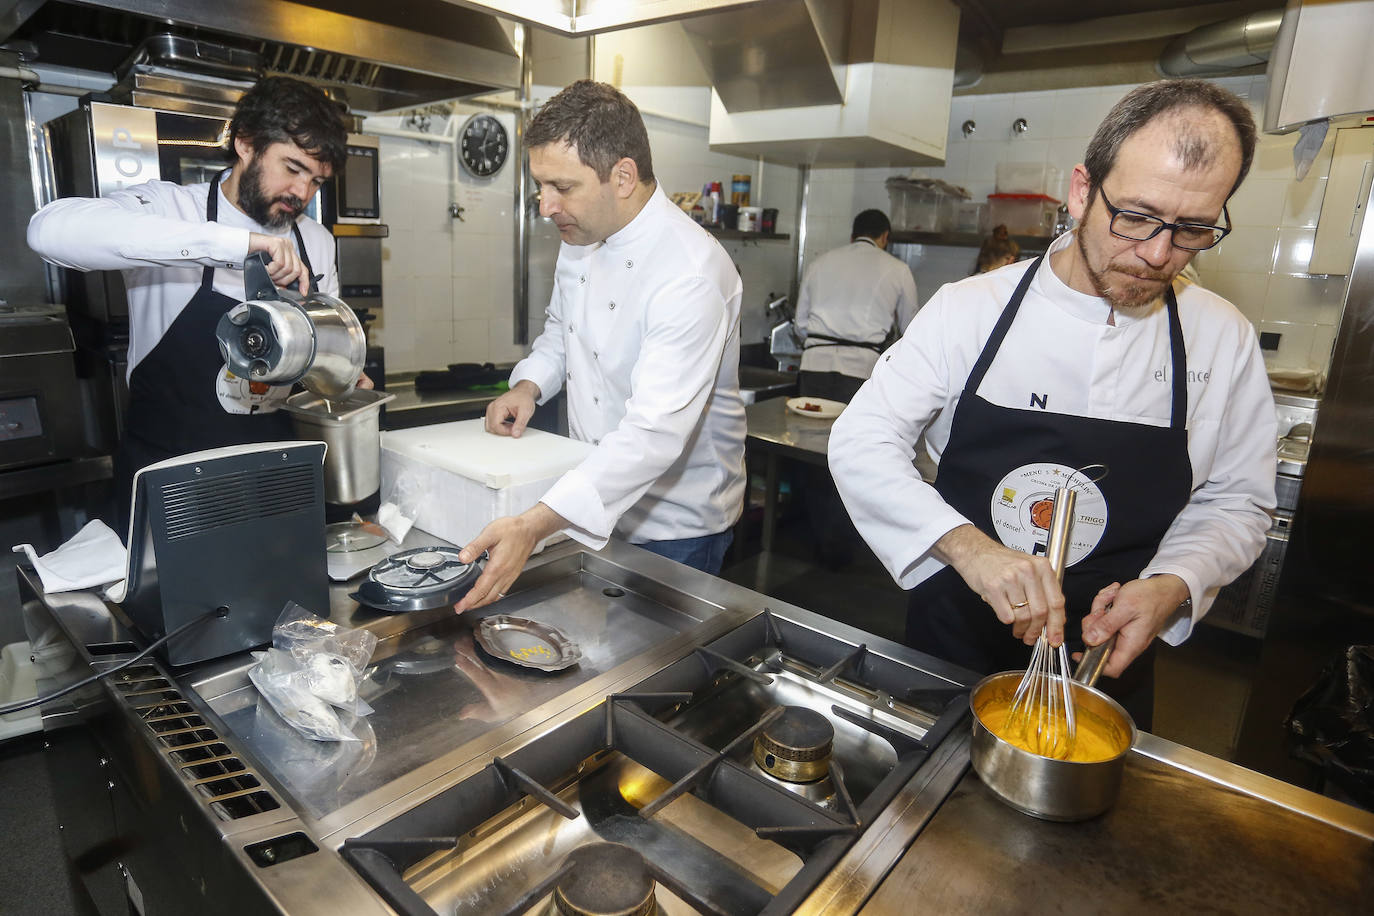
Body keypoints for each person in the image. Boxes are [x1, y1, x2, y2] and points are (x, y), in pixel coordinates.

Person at [828, 79, 1277, 727]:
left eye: (1193, 230)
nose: (1157, 254)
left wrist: (1176, 583)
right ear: (1082, 191)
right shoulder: (969, 310)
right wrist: (969, 548)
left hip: (1105, 663)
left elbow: (1238, 498)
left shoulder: (1220, 335)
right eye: (1138, 216)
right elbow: (861, 440)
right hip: (953, 639)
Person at [452, 80, 746, 611]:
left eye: (561, 186)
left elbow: (653, 434)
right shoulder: (584, 236)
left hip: (674, 526)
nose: (546, 206)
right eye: (541, 185)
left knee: (655, 683)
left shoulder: (690, 274)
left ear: (624, 176)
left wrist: (534, 525)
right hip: (586, 499)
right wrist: (528, 384)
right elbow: (562, 332)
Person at [27, 76, 359, 531]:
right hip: (170, 477)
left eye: (316, 181)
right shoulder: (170, 209)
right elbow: (49, 231)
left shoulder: (316, 242)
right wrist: (233, 243)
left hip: (274, 477)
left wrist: (337, 368)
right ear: (245, 144)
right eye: (293, 168)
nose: (302, 194)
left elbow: (327, 351)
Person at [794, 208, 918, 402]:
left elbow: (800, 324)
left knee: (810, 429)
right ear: (885, 236)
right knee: (852, 432)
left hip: (814, 365)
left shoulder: (818, 263)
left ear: (853, 236)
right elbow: (910, 330)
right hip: (862, 369)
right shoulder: (899, 270)